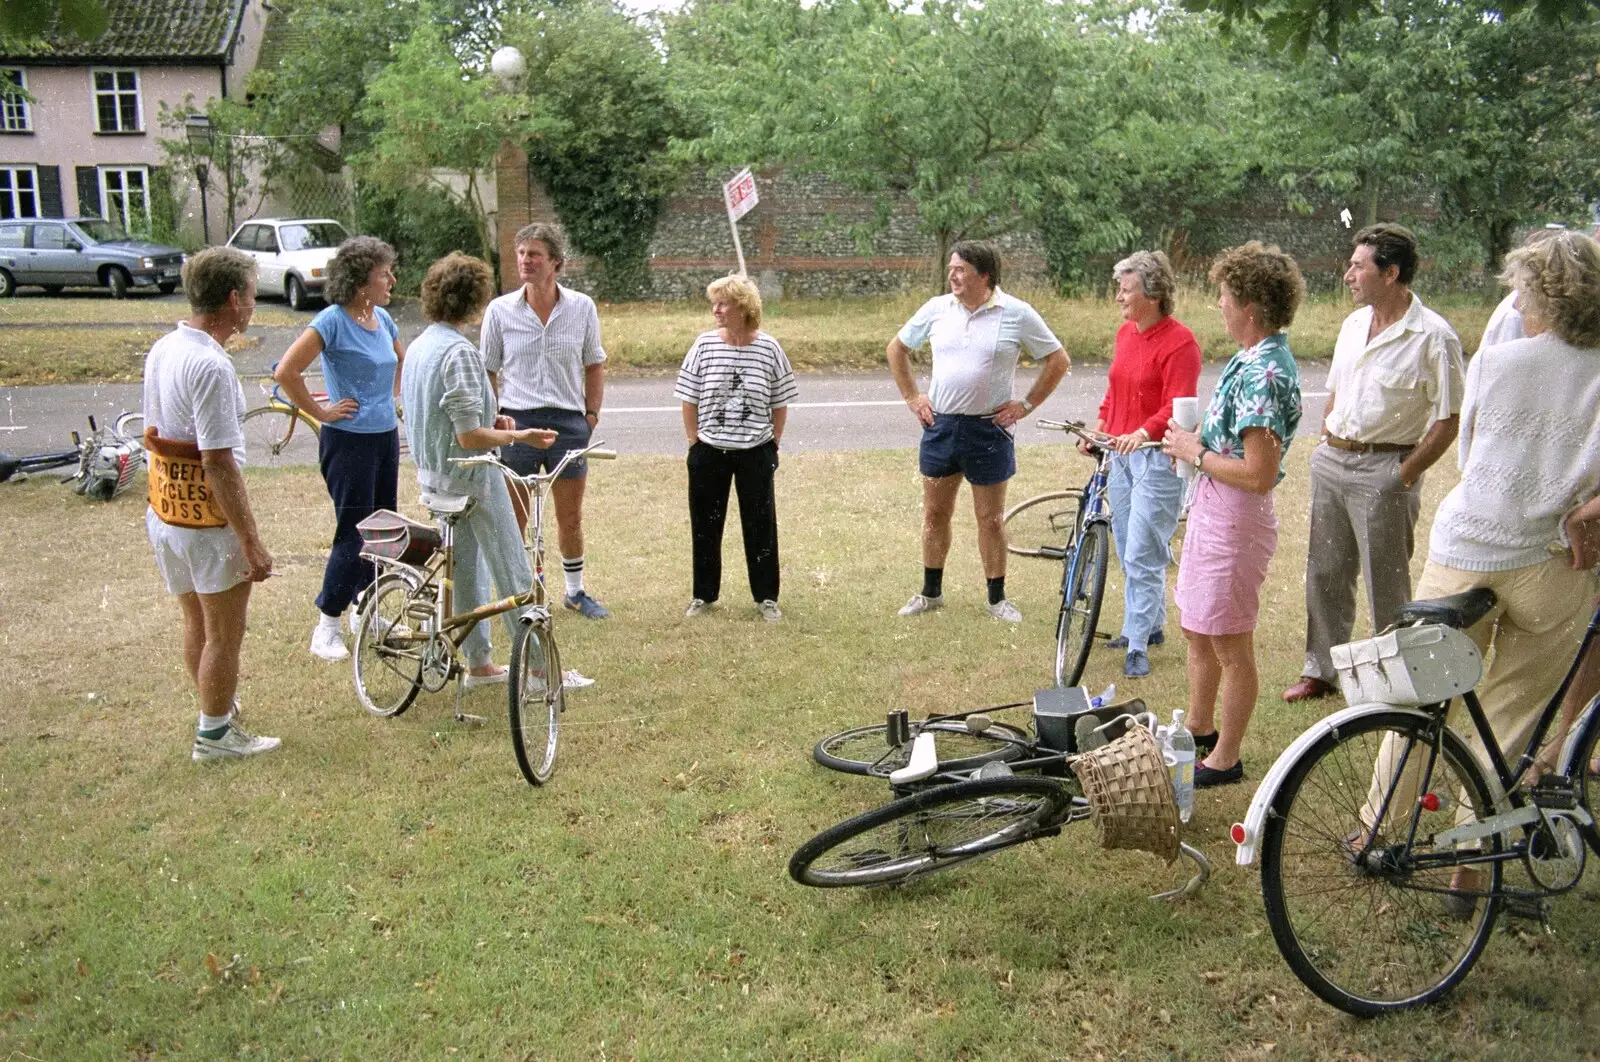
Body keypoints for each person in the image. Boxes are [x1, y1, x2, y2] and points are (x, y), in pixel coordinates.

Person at [1360, 231, 1600, 898]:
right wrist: (1584, 511)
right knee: (1511, 717)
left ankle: (1376, 825)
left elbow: (1468, 451)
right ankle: (1470, 864)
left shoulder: (1499, 361)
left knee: (1417, 695)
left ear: (1535, 295)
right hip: (1552, 563)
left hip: (1468, 546)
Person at [1284, 224, 1465, 704]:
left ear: (1392, 272)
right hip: (1333, 462)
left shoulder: (1434, 337)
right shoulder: (1351, 326)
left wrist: (1402, 475)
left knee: (1387, 582)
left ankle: (1394, 682)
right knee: (1324, 572)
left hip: (1385, 471)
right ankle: (1321, 671)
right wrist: (1326, 441)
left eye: (1358, 266)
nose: (1348, 274)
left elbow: (1448, 420)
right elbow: (1340, 392)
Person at [1161, 242, 1304, 788]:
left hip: (1237, 517)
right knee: (1199, 625)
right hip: (1215, 506)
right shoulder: (1251, 359)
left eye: (1223, 296)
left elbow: (1258, 473)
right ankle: (1198, 727)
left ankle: (1227, 756)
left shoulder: (1265, 373)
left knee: (1230, 641)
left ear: (1249, 306)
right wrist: (1196, 444)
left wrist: (1194, 453)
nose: (1217, 305)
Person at [399, 253, 563, 686]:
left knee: (468, 569)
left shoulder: (420, 346)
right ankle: (539, 671)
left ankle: (478, 663)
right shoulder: (459, 353)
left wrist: (496, 422)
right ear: (475, 299)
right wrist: (518, 437)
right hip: (471, 477)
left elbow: (443, 416)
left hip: (436, 478)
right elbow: (469, 436)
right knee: (513, 569)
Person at [141, 247, 278, 760]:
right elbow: (218, 461)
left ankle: (215, 708)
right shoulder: (210, 365)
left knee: (198, 621)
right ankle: (215, 735)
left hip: (165, 513)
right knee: (224, 632)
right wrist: (249, 539)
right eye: (250, 294)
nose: (252, 307)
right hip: (202, 520)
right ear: (232, 298)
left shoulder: (166, 347)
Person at [886, 240, 1070, 621]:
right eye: (951, 268)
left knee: (990, 519)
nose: (952, 275)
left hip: (989, 430)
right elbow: (897, 348)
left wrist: (1026, 405)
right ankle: (931, 593)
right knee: (936, 513)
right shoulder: (937, 309)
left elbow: (1058, 359)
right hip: (941, 426)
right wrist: (913, 398)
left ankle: (996, 599)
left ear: (984, 276)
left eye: (960, 269)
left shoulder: (1016, 312)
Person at [274, 236, 405, 662]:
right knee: (353, 533)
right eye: (384, 273)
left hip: (383, 438)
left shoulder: (382, 319)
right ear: (361, 281)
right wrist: (322, 412)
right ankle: (326, 625)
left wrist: (394, 403)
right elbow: (286, 371)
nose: (392, 279)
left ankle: (365, 609)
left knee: (383, 529)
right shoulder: (331, 320)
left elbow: (402, 362)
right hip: (347, 443)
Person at [479, 223, 610, 621]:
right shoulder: (499, 310)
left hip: (569, 424)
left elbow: (595, 363)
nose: (525, 261)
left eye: (534, 254)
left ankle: (574, 592)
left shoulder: (582, 307)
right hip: (516, 425)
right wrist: (494, 421)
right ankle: (517, 597)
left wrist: (589, 418)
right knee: (514, 517)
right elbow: (488, 370)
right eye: (520, 253)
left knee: (569, 517)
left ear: (555, 262)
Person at [1086, 251, 1202, 679]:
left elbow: (1177, 402)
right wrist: (1101, 429)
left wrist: (1142, 432)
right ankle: (1149, 626)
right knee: (1126, 543)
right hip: (1120, 454)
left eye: (1126, 289)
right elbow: (1115, 390)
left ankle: (1136, 643)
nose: (1119, 296)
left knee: (1143, 551)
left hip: (1156, 456)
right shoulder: (1125, 334)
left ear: (1152, 295)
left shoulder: (1180, 342)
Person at [675, 274, 799, 622]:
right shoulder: (703, 345)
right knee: (705, 524)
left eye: (723, 303)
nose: (715, 310)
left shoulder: (770, 348)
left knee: (761, 524)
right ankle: (703, 595)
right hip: (709, 450)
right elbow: (689, 397)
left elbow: (780, 401)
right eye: (713, 303)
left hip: (756, 451)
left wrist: (772, 444)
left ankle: (766, 598)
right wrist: (693, 442)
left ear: (743, 308)